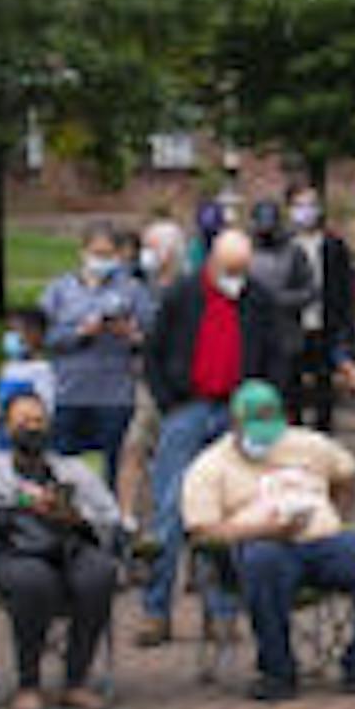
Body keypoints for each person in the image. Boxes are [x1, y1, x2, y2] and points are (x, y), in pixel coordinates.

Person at [181, 380, 355, 701]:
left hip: (321, 541)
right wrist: (260, 530)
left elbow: (346, 473)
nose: (264, 439)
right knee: (263, 561)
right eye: (255, 428)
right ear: (235, 423)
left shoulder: (308, 445)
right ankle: (277, 670)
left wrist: (334, 514)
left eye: (270, 427)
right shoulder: (211, 466)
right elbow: (202, 530)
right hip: (259, 545)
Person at [138, 229, 277, 647]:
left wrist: (260, 405)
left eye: (242, 270)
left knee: (227, 515)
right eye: (229, 269)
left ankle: (222, 611)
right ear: (212, 262)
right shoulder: (183, 295)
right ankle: (156, 610)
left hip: (237, 414)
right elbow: (154, 352)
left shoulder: (258, 300)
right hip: (188, 408)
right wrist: (169, 403)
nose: (236, 277)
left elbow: (276, 354)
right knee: (169, 512)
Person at [0, 391, 124, 709]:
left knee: (100, 574)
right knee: (34, 581)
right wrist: (23, 503)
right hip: (13, 553)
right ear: (7, 427)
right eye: (23, 421)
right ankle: (28, 684)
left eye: (38, 420)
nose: (32, 428)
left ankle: (76, 681)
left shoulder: (72, 469)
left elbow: (109, 517)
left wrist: (73, 515)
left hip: (70, 548)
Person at [39, 222, 152, 489]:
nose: (102, 260)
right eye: (97, 253)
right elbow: (42, 337)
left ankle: (108, 519)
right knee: (63, 467)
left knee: (111, 468)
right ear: (83, 252)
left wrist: (130, 334)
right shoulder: (59, 290)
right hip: (69, 392)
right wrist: (80, 332)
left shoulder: (133, 290)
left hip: (114, 396)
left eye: (108, 254)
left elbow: (153, 337)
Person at [116, 219, 188, 522]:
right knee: (134, 446)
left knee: (177, 449)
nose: (144, 253)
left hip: (179, 381)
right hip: (143, 379)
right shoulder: (135, 286)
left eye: (151, 247)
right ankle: (127, 516)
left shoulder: (189, 289)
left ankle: (174, 512)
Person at [286, 184, 355, 432]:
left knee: (323, 382)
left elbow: (346, 288)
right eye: (299, 205)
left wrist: (347, 327)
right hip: (292, 324)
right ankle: (294, 434)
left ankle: (323, 432)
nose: (306, 211)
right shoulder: (284, 245)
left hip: (324, 322)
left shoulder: (333, 245)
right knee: (292, 384)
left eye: (311, 205)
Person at [247, 199, 318, 403]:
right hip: (252, 335)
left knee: (287, 396)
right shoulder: (245, 251)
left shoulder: (294, 252)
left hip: (286, 336)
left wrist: (281, 300)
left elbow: (310, 291)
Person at [0, 307, 56, 444]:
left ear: (35, 335)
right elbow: (4, 403)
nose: (10, 337)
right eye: (9, 331)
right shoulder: (8, 368)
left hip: (27, 441)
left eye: (16, 331)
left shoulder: (42, 370)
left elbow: (45, 411)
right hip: (4, 437)